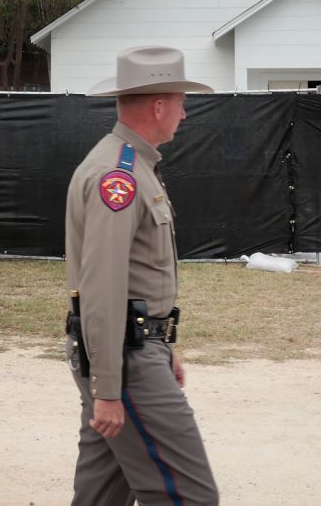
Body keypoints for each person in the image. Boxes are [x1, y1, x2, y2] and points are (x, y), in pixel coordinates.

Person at [64, 46, 220, 506]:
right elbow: (102, 287)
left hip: (129, 351)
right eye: (180, 101)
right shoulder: (120, 175)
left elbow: (135, 279)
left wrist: (162, 345)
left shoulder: (132, 165)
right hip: (125, 363)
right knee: (189, 497)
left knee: (100, 497)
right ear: (158, 106)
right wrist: (109, 388)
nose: (184, 114)